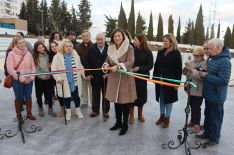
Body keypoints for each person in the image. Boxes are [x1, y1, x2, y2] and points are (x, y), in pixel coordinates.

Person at [196, 38, 231, 148]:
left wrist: (206, 75)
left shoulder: (225, 62)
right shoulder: (213, 58)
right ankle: (207, 133)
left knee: (215, 118)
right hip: (209, 94)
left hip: (217, 96)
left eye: (210, 48)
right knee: (208, 115)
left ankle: (214, 138)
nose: (208, 51)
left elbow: (223, 81)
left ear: (218, 48)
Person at [103, 28, 137, 136]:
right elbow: (107, 60)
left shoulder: (129, 47)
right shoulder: (111, 48)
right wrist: (106, 65)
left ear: (123, 36)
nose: (117, 38)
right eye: (115, 36)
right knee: (116, 102)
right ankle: (118, 122)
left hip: (125, 78)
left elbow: (131, 62)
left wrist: (118, 66)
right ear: (113, 38)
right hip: (114, 78)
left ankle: (125, 125)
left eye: (119, 36)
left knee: (125, 103)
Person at [153, 33, 182, 128]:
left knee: (168, 100)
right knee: (161, 99)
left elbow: (178, 69)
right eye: (163, 41)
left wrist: (177, 83)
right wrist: (155, 78)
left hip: (170, 81)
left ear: (171, 42)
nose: (164, 42)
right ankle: (162, 116)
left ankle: (167, 118)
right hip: (160, 81)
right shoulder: (160, 52)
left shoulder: (176, 53)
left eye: (166, 41)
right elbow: (156, 65)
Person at [51, 39, 84, 120]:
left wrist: (84, 75)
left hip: (75, 81)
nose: (69, 48)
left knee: (77, 97)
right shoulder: (57, 57)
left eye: (70, 46)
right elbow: (54, 70)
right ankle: (68, 112)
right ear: (62, 47)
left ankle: (78, 111)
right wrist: (58, 79)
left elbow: (80, 66)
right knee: (66, 97)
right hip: (64, 82)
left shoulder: (75, 55)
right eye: (66, 46)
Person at [6, 37, 36, 120]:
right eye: (20, 43)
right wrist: (22, 78)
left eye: (23, 42)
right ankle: (19, 115)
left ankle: (29, 113)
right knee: (19, 98)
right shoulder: (11, 54)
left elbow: (33, 66)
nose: (23, 44)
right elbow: (10, 69)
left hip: (29, 80)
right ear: (15, 44)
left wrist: (31, 77)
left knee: (28, 97)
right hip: (17, 81)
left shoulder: (28, 54)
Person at [129, 33, 153, 124]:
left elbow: (150, 65)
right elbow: (129, 61)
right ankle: (131, 115)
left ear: (141, 41)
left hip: (142, 78)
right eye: (133, 39)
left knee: (141, 97)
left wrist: (140, 68)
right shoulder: (132, 50)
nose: (133, 41)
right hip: (132, 77)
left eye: (135, 40)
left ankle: (140, 115)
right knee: (132, 97)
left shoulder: (148, 52)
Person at [85, 33, 110, 118]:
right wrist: (88, 74)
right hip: (94, 76)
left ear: (105, 39)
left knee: (106, 95)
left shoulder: (110, 49)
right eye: (98, 39)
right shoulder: (91, 49)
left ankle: (105, 111)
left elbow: (112, 62)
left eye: (101, 39)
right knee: (95, 95)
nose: (99, 41)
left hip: (106, 76)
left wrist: (109, 73)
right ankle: (95, 111)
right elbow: (87, 62)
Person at [183, 46, 207, 134]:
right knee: (192, 106)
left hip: (198, 90)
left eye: (197, 55)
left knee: (197, 107)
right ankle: (192, 121)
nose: (195, 57)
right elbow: (185, 73)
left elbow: (201, 77)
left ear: (201, 55)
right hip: (190, 89)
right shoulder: (192, 62)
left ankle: (197, 124)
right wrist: (185, 69)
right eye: (194, 55)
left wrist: (192, 69)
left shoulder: (204, 64)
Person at [33, 42, 57, 117]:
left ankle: (50, 109)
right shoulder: (35, 57)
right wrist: (41, 74)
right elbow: (35, 69)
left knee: (50, 94)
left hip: (49, 78)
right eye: (39, 48)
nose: (41, 49)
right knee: (39, 95)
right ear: (36, 49)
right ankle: (40, 108)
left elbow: (52, 64)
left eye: (42, 47)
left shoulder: (49, 55)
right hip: (39, 79)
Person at [75, 30, 94, 107]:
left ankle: (93, 103)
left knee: (92, 89)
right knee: (83, 88)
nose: (85, 37)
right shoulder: (78, 47)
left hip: (91, 71)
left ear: (90, 36)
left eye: (87, 36)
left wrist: (91, 72)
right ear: (81, 37)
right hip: (81, 71)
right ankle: (85, 102)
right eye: (84, 36)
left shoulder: (94, 46)